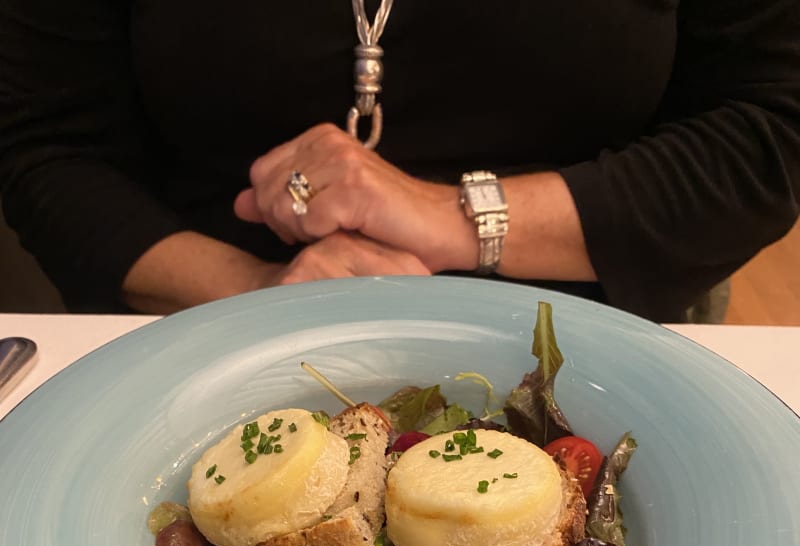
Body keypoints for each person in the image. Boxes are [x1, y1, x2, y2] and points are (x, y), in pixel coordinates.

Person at [0, 0, 798, 322]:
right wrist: (260, 294)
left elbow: (772, 125)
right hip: (203, 319)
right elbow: (48, 144)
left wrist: (452, 217)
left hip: (600, 330)